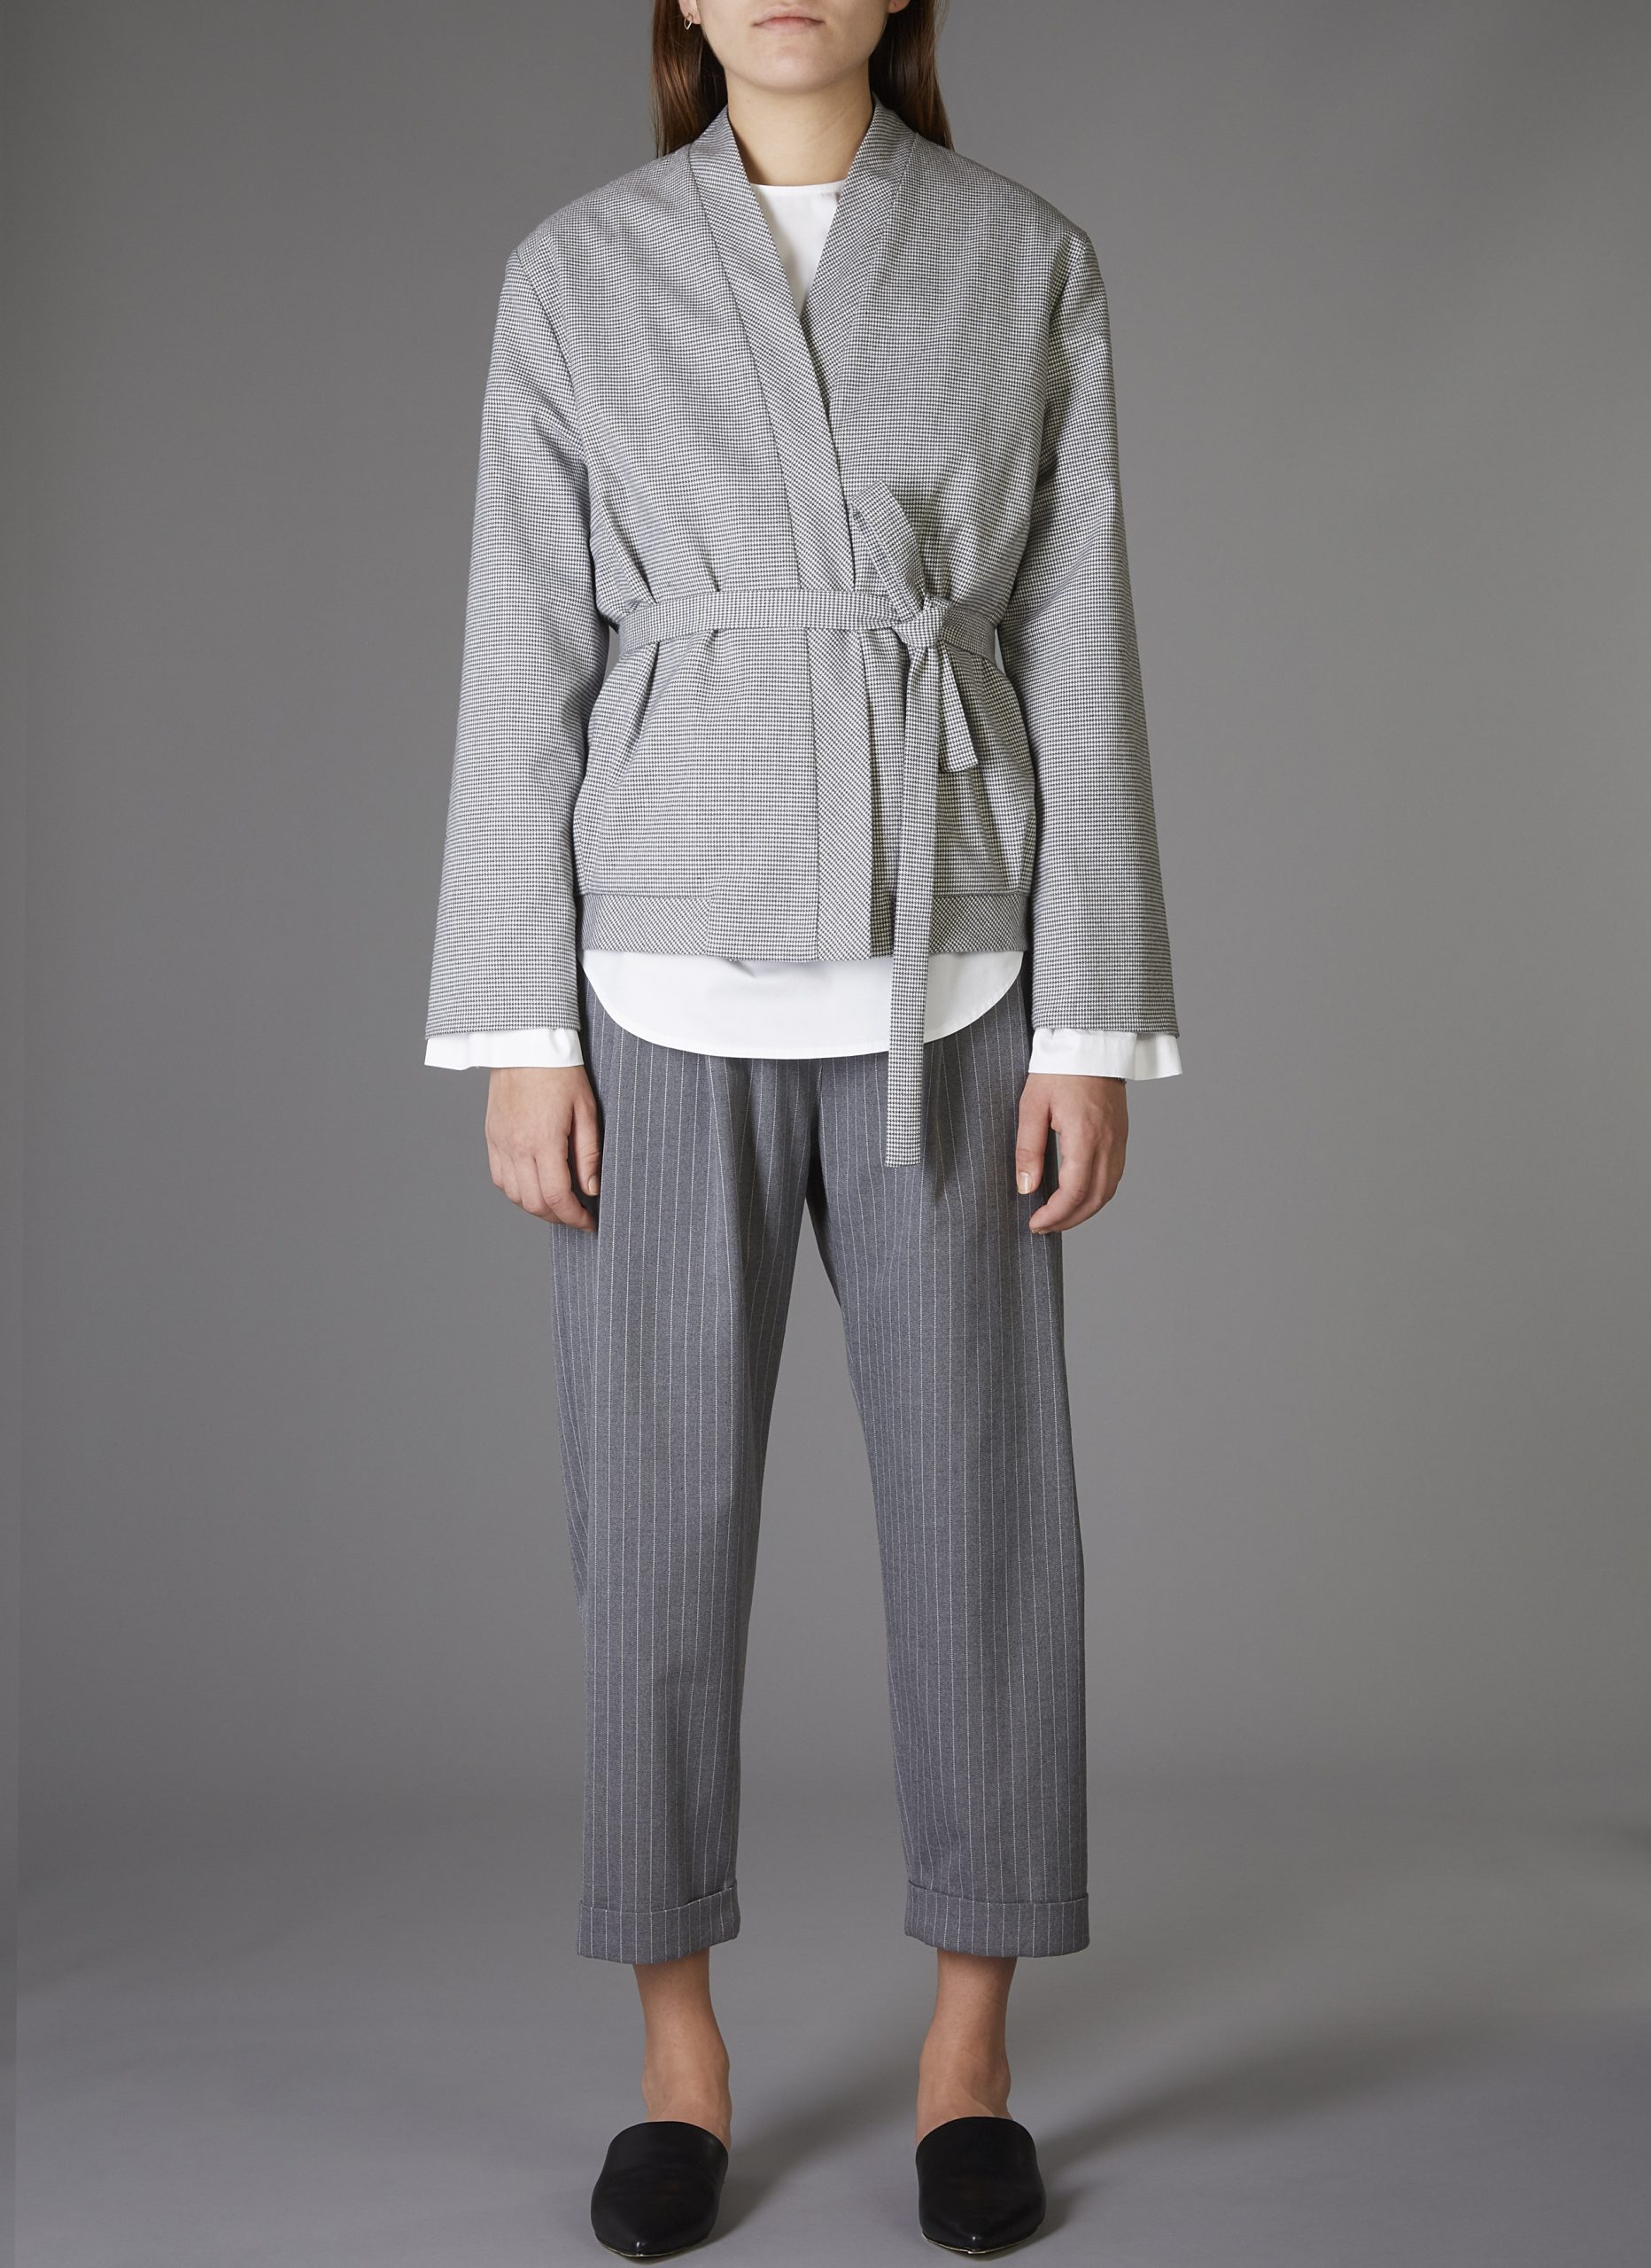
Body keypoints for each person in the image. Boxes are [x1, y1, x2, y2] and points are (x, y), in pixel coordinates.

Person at [424, 2, 1182, 2253]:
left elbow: (1075, 639)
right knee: (651, 1534)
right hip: (653, 974)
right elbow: (519, 656)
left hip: (953, 972)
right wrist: (520, 1023)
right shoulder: (576, 275)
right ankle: (678, 2054)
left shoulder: (1023, 261)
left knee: (984, 1532)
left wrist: (1089, 1018)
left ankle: (970, 2055)